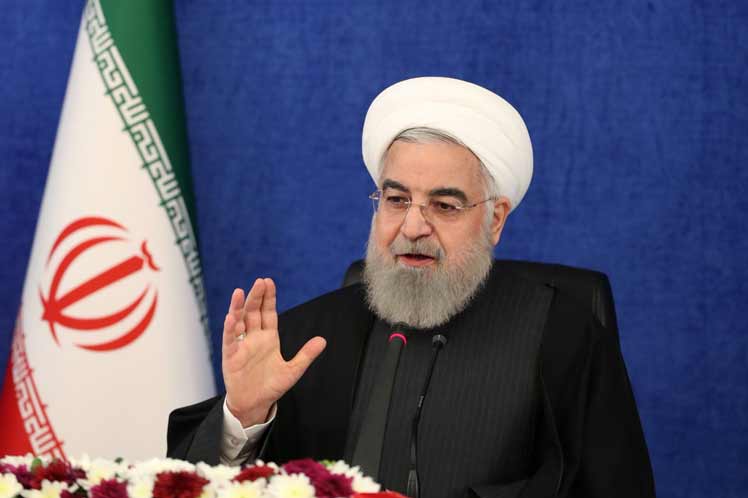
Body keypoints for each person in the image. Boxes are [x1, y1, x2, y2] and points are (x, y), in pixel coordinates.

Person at [167, 77, 656, 498]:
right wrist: (244, 417)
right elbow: (197, 486)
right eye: (397, 199)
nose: (414, 227)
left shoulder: (562, 339)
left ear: (495, 219)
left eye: (444, 206)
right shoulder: (307, 338)